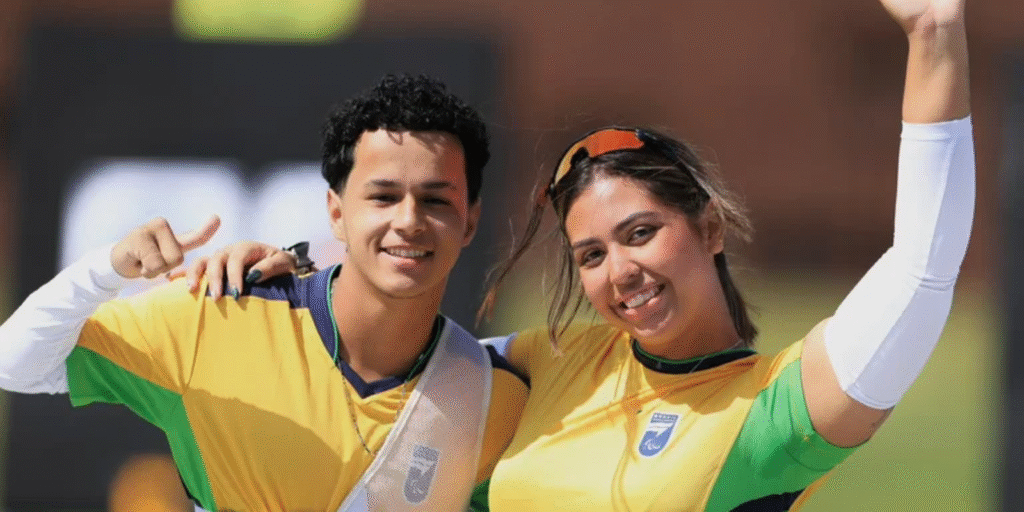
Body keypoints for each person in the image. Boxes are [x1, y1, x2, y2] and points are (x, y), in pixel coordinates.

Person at [203, 0, 974, 508]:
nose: (620, 272)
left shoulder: (774, 416)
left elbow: (921, 272)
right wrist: (300, 280)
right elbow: (377, 371)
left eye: (642, 233)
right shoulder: (547, 364)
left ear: (708, 227)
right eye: (591, 254)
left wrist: (934, 33)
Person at [0, 74, 529, 512]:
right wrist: (106, 269)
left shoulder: (494, 397)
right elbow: (15, 364)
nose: (409, 222)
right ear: (336, 213)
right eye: (383, 197)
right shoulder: (216, 315)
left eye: (435, 200)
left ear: (470, 220)